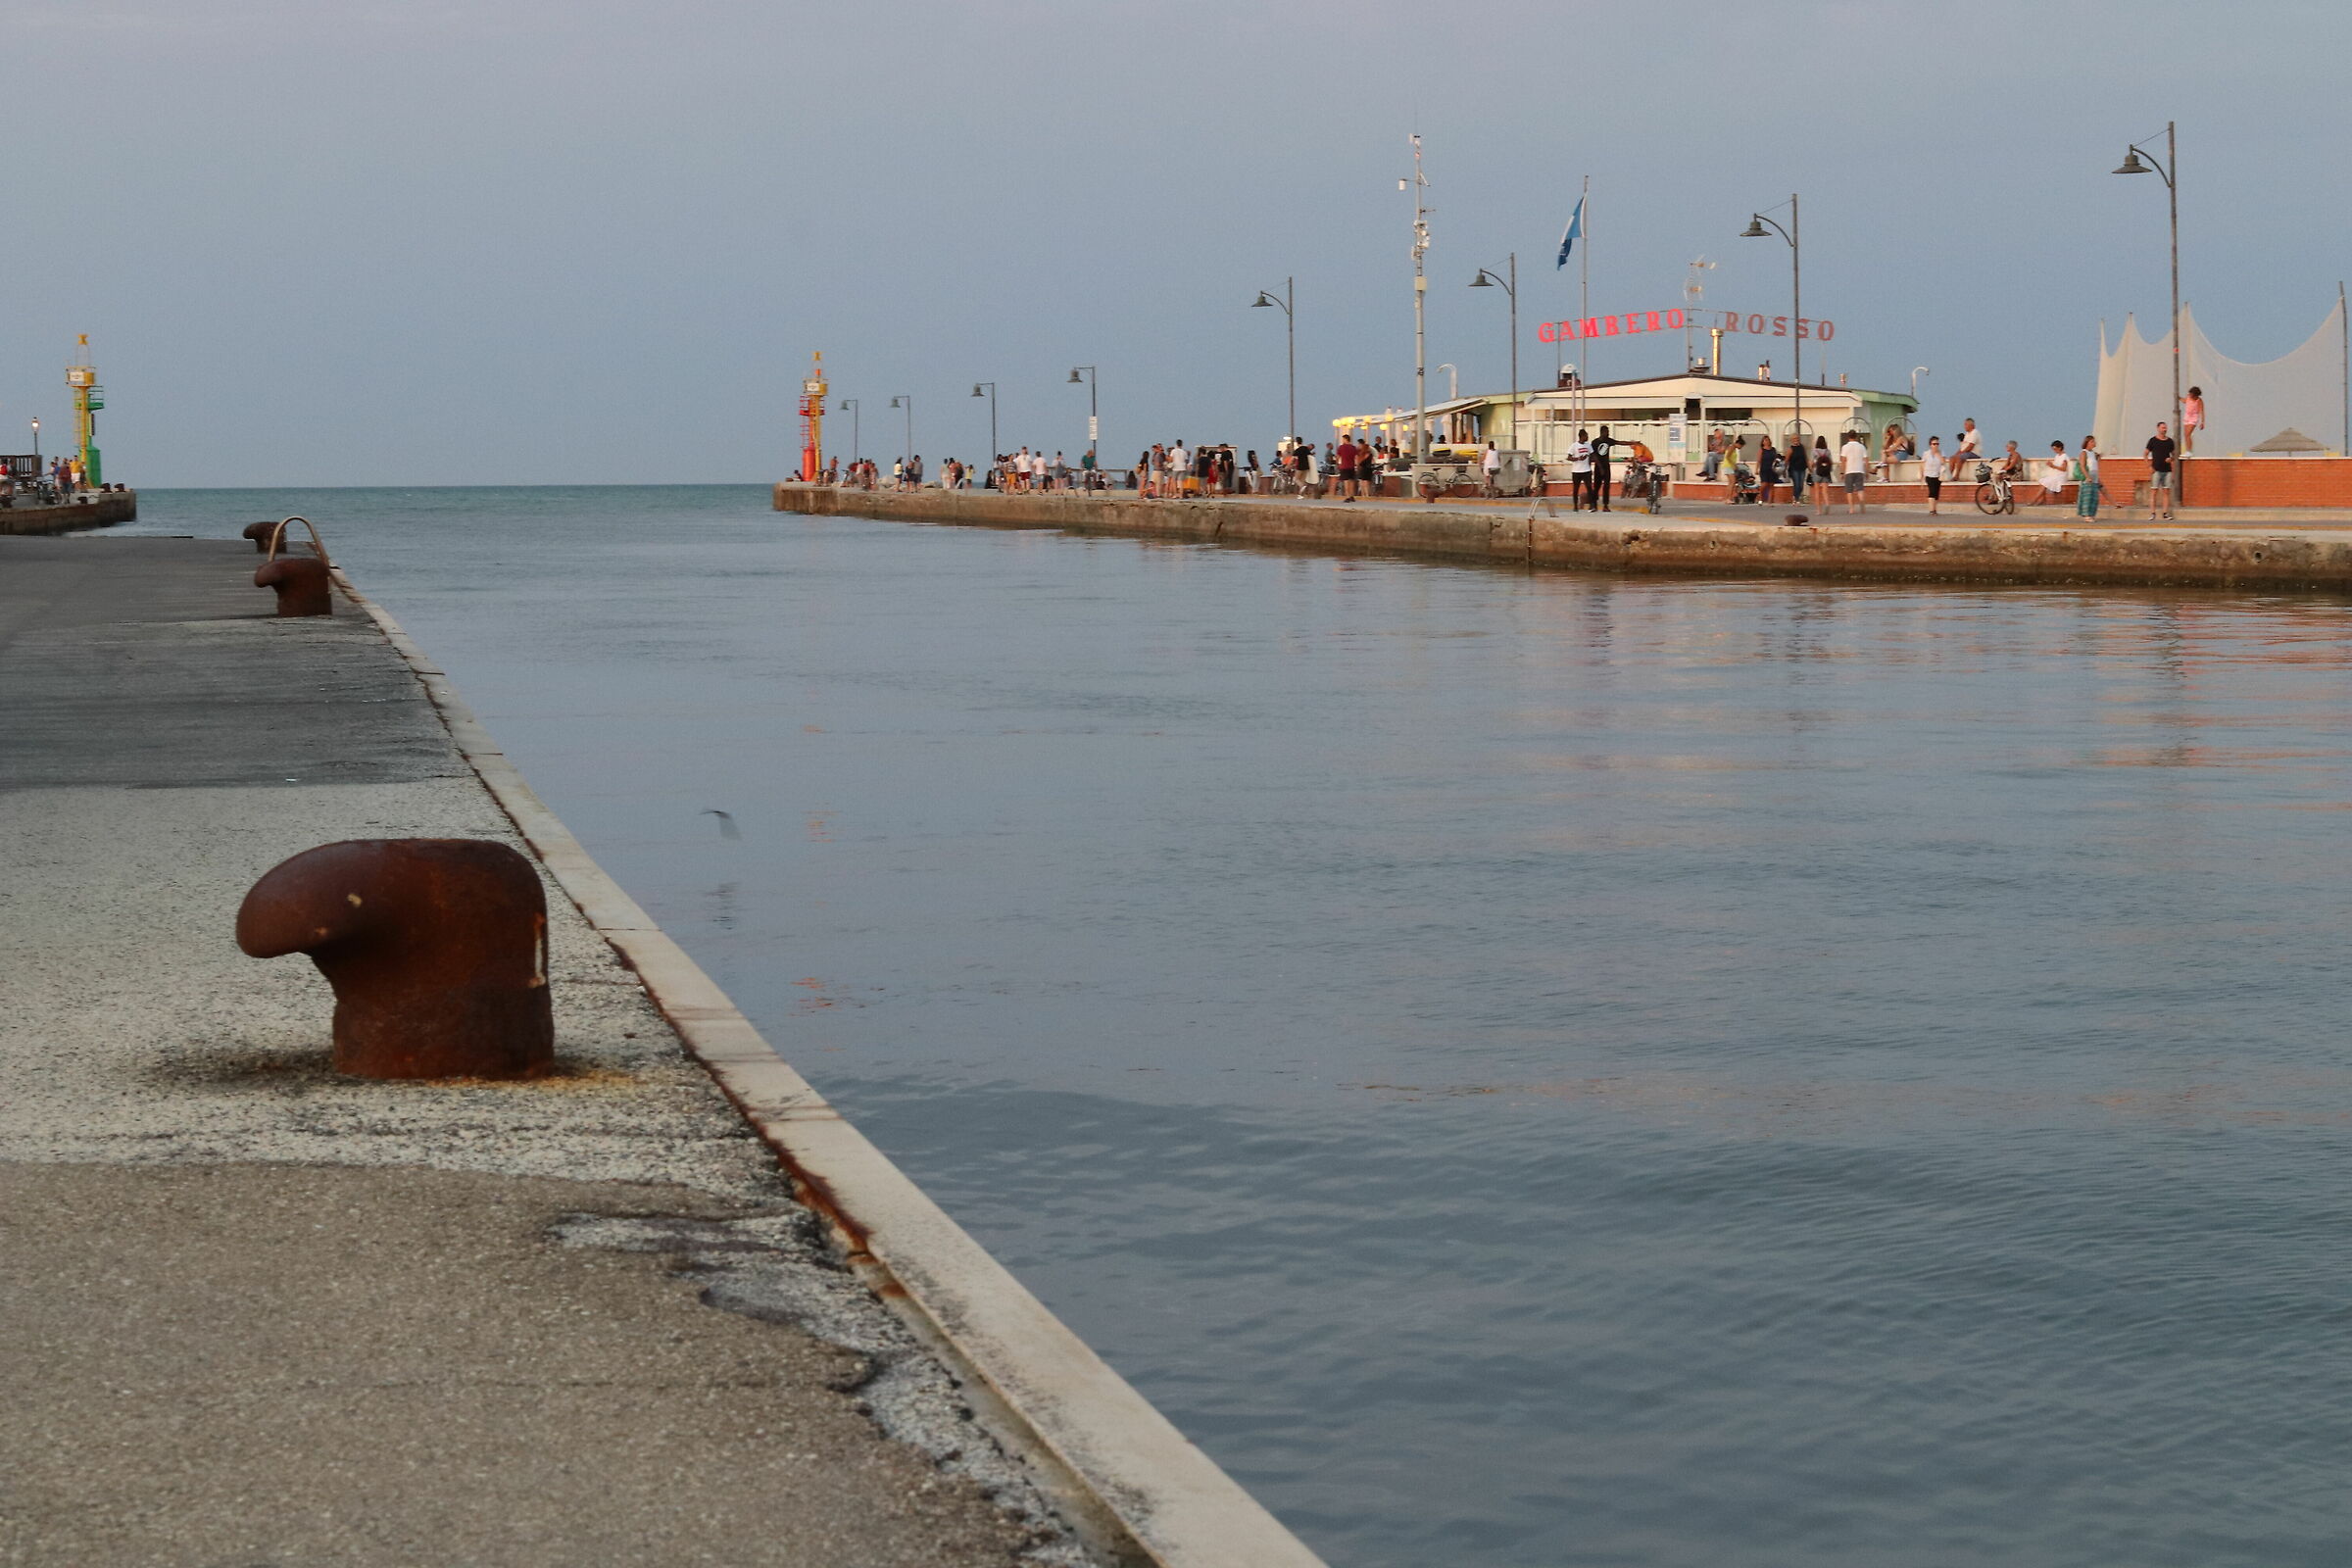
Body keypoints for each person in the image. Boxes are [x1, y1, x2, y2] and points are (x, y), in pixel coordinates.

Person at [1589, 424, 1633, 512]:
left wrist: (1632, 443)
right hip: (1598, 467)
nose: (1608, 433)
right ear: (1602, 432)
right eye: (1607, 432)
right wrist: (1600, 467)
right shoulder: (1595, 442)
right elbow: (1594, 456)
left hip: (1606, 466)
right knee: (1597, 486)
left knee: (1606, 486)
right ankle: (1593, 504)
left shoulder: (1608, 441)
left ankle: (1605, 505)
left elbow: (1620, 442)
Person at [2144, 420, 2177, 519]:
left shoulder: (2170, 441)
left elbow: (2174, 455)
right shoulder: (2153, 441)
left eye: (2165, 428)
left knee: (2166, 492)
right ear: (2158, 428)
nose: (2165, 429)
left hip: (2167, 470)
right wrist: (2149, 466)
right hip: (2156, 470)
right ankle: (2152, 514)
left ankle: (2165, 513)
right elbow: (2145, 454)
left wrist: (2171, 459)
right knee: (2154, 491)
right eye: (2163, 428)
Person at [1838, 429, 1869, 514]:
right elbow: (1866, 460)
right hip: (1859, 470)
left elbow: (1843, 460)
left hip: (1849, 470)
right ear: (1856, 437)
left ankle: (1851, 509)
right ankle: (1862, 501)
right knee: (1860, 489)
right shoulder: (1862, 447)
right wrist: (1866, 471)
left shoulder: (1845, 447)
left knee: (1849, 491)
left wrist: (1842, 472)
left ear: (1848, 437)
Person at [2075, 435, 2101, 518]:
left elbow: (2095, 464)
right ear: (2087, 443)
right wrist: (2087, 476)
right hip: (2088, 477)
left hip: (2095, 476)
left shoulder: (2093, 453)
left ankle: (2091, 514)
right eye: (2092, 441)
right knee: (2087, 497)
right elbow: (2082, 466)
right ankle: (2086, 515)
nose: (2094, 443)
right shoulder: (2084, 452)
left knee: (2094, 497)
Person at [1569, 428, 1596, 511]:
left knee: (1589, 488)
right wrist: (1578, 459)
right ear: (1582, 436)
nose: (1587, 437)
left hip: (1586, 470)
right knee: (1576, 488)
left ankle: (1592, 505)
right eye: (1586, 436)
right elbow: (1569, 457)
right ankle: (1575, 505)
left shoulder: (1588, 445)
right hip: (1576, 471)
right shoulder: (1574, 446)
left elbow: (1592, 455)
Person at [1920, 436, 1945, 514]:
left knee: (1936, 493)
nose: (1936, 445)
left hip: (1938, 475)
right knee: (1932, 491)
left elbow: (1943, 462)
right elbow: (1922, 465)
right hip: (1928, 474)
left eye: (1937, 444)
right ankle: (1931, 510)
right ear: (1930, 445)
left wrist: (1938, 455)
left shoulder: (1941, 452)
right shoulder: (1926, 453)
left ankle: (1935, 509)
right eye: (1934, 444)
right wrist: (1922, 477)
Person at [2041, 440, 2070, 505]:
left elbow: (2064, 469)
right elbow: (2056, 466)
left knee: (2045, 483)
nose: (2054, 450)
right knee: (2043, 482)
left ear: (2059, 448)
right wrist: (2051, 465)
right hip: (2056, 475)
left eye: (2055, 449)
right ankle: (2041, 500)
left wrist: (2053, 466)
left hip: (2061, 476)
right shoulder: (2057, 456)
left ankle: (2035, 500)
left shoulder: (2064, 456)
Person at [1755, 438, 1782, 506]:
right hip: (1764, 469)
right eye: (1765, 440)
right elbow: (1759, 460)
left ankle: (1770, 502)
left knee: (1771, 485)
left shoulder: (1773, 449)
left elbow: (1776, 458)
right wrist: (1756, 469)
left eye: (1768, 440)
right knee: (1764, 484)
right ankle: (1760, 497)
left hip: (1772, 469)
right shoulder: (1762, 450)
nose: (1767, 441)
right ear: (1763, 442)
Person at [1336, 433, 1361, 502]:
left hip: (1344, 466)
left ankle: (1347, 496)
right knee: (1352, 481)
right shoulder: (1353, 447)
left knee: (1346, 481)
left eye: (1343, 439)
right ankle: (1352, 495)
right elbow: (1356, 457)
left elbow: (1338, 457)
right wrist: (1357, 465)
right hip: (1352, 466)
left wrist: (1337, 464)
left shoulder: (1341, 447)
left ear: (1345, 439)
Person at [1784, 436, 1808, 504]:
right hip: (1794, 469)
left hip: (1802, 468)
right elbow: (1786, 460)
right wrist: (1784, 470)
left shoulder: (1802, 447)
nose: (1796, 440)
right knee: (1797, 484)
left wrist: (1809, 467)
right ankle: (1796, 498)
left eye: (1797, 438)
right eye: (1794, 439)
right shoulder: (1791, 449)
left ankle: (1797, 496)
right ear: (1792, 440)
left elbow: (1806, 457)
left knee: (1801, 485)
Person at [2182, 386, 2205, 453]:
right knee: (2185, 435)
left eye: (2192, 395)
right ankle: (2187, 450)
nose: (2191, 395)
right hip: (2187, 416)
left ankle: (2189, 451)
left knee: (2188, 434)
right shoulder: (2188, 397)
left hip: (2193, 418)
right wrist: (2178, 398)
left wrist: (2202, 422)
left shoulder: (2199, 400)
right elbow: (2184, 401)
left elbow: (2201, 411)